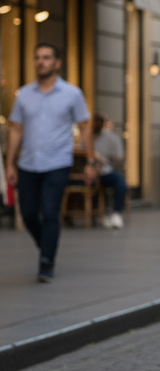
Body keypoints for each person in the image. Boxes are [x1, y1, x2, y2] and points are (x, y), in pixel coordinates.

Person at [4, 42, 94, 282]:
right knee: (30, 214)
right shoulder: (24, 94)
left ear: (57, 63)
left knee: (51, 211)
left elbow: (84, 128)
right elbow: (16, 129)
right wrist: (10, 164)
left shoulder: (72, 94)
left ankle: (46, 262)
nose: (40, 62)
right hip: (28, 163)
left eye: (46, 57)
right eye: (37, 58)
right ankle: (46, 246)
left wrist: (91, 161)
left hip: (57, 162)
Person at [92, 114, 128, 230]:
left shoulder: (112, 138)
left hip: (106, 172)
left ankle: (116, 213)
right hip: (88, 174)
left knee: (119, 180)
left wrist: (105, 158)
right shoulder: (86, 137)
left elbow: (120, 159)